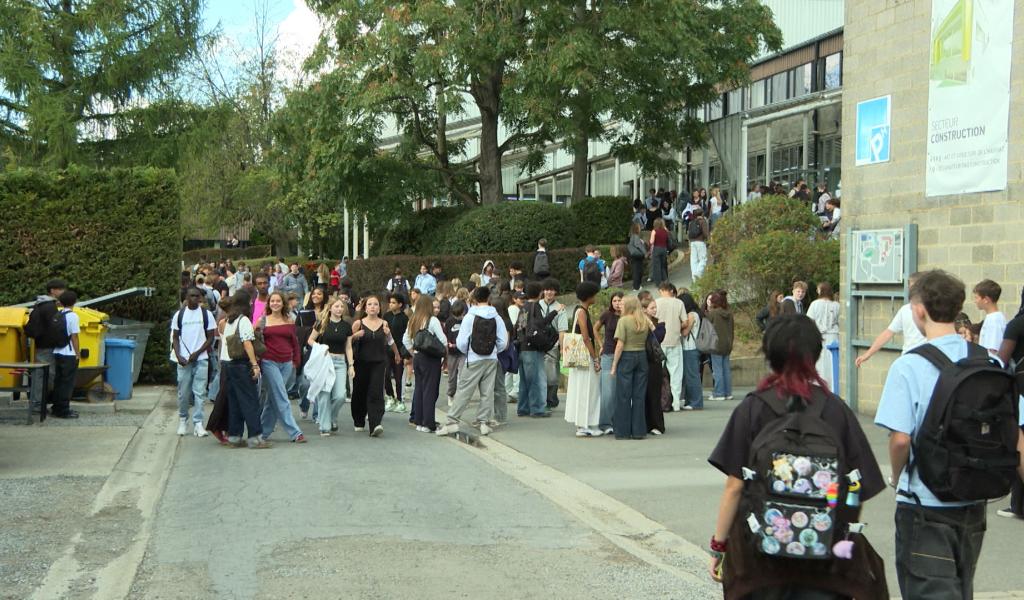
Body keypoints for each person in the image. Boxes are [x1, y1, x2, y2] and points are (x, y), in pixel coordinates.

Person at [708, 314, 887, 599]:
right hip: (825, 565)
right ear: (815, 354)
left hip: (760, 563)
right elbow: (857, 486)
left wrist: (719, 546)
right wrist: (837, 532)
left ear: (770, 354)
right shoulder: (836, 411)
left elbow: (734, 487)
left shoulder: (753, 409)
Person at [874, 269, 1024, 599]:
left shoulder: (908, 366)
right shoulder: (988, 362)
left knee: (929, 589)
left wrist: (897, 478)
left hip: (925, 501)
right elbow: (1014, 433)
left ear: (918, 310)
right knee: (961, 586)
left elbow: (900, 439)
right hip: (973, 496)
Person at [438, 286, 508, 436]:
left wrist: (469, 351)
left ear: (474, 299)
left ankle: (452, 421)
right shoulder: (496, 317)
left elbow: (462, 341)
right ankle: (483, 422)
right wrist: (494, 350)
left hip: (473, 358)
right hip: (491, 358)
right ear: (489, 298)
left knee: (464, 390)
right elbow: (503, 341)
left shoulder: (470, 316)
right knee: (487, 392)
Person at [220, 292, 270, 448]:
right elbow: (247, 343)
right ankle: (255, 437)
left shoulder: (228, 321)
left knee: (234, 401)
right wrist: (254, 364)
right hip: (241, 365)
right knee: (250, 401)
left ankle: (234, 436)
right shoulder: (244, 321)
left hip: (227, 365)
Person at [350, 294, 402, 437]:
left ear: (379, 308)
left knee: (376, 392)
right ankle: (359, 420)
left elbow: (390, 340)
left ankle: (375, 424)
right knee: (359, 392)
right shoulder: (358, 323)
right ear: (365, 308)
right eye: (370, 304)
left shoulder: (384, 323)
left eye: (375, 304)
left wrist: (397, 354)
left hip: (379, 362)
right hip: (361, 363)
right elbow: (348, 342)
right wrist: (355, 336)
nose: (373, 307)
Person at [257, 292, 305, 444]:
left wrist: (296, 361)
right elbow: (251, 338)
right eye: (273, 301)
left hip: (287, 362)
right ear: (269, 303)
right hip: (269, 361)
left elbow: (295, 342)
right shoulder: (262, 320)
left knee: (274, 398)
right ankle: (295, 432)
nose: (275, 303)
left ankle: (262, 433)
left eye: (278, 301)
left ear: (283, 303)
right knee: (282, 397)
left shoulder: (289, 320)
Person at [171, 287, 216, 437]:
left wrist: (198, 353)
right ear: (186, 297)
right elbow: (175, 337)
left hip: (201, 359)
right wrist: (178, 356)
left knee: (200, 392)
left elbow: (211, 337)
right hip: (184, 360)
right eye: (191, 296)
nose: (195, 299)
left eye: (197, 296)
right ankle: (183, 420)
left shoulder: (206, 314)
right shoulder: (179, 315)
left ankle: (198, 423)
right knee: (183, 393)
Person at [856, 272, 927, 367]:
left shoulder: (931, 309)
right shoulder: (904, 310)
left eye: (913, 287)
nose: (911, 290)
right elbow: (887, 333)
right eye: (910, 287)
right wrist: (867, 354)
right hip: (908, 359)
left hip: (925, 360)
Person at [609, 296, 652, 440]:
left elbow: (620, 344)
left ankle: (622, 431)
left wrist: (614, 364)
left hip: (627, 356)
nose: (620, 305)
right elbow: (654, 331)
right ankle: (639, 430)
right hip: (642, 357)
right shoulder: (644, 320)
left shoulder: (623, 321)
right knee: (639, 395)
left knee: (624, 395)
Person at [563, 282, 603, 438]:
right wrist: (595, 358)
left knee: (583, 389)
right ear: (589, 296)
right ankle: (584, 424)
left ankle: (584, 423)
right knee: (587, 389)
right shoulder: (582, 312)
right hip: (585, 355)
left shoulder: (580, 310)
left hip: (580, 356)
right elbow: (586, 338)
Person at [996, 303, 1024, 519]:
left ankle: (1018, 506)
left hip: (1022, 392)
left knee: (1020, 445)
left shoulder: (1016, 324)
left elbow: (1002, 359)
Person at [403, 294, 446, 433]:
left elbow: (405, 340)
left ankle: (419, 421)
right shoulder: (432, 320)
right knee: (430, 390)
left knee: (419, 389)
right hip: (431, 359)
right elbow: (443, 340)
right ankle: (428, 423)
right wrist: (444, 354)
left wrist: (413, 352)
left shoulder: (413, 320)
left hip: (418, 357)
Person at [24, 278, 67, 409]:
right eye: (60, 289)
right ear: (53, 291)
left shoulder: (41, 304)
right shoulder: (49, 307)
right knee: (45, 376)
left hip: (41, 344)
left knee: (42, 375)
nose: (63, 292)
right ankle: (37, 405)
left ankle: (38, 403)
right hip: (46, 347)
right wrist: (62, 342)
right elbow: (54, 327)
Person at [593, 291, 623, 435]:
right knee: (607, 391)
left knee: (619, 391)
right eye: (615, 301)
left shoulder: (627, 316)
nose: (617, 303)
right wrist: (601, 344)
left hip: (624, 355)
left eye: (619, 300)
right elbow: (595, 328)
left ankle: (616, 420)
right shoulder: (607, 315)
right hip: (609, 354)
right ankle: (605, 422)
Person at [49, 290, 81, 420]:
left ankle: (56, 408)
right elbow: (74, 337)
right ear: (74, 302)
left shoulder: (58, 314)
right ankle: (64, 410)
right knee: (67, 383)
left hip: (57, 351)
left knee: (58, 381)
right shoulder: (73, 316)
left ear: (61, 302)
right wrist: (77, 353)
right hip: (68, 353)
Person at [655, 282, 686, 412]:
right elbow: (685, 321)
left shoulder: (656, 302)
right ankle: (676, 403)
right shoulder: (679, 303)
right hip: (675, 341)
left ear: (662, 290)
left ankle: (658, 402)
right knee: (676, 374)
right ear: (671, 290)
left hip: (659, 342)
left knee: (657, 373)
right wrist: (677, 328)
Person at [806, 282, 840, 391]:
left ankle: (818, 387)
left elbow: (809, 321)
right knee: (832, 362)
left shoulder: (814, 304)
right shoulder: (836, 305)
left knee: (819, 362)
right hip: (833, 336)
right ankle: (833, 387)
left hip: (818, 335)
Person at [540, 279, 568, 409]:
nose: (549, 292)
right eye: (546, 289)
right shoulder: (538, 305)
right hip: (539, 343)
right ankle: (543, 398)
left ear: (555, 291)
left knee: (551, 371)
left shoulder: (560, 308)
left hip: (553, 344)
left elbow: (562, 330)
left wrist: (562, 347)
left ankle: (551, 398)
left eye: (551, 289)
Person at [642, 297, 666, 435]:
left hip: (654, 362)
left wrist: (651, 325)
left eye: (655, 307)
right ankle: (645, 423)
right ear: (644, 309)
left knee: (654, 393)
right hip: (642, 359)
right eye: (652, 308)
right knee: (643, 393)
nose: (655, 310)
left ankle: (657, 425)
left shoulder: (660, 323)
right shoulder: (638, 322)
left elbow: (659, 337)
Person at [383, 293, 410, 413]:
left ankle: (400, 400)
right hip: (386, 350)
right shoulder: (386, 316)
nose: (391, 304)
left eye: (394, 302)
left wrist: (404, 354)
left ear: (400, 304)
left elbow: (407, 336)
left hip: (399, 351)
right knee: (386, 374)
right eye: (390, 302)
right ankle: (391, 396)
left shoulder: (404, 318)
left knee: (398, 377)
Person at [706, 291, 734, 401]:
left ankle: (719, 393)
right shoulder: (729, 313)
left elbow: (706, 325)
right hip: (727, 344)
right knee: (726, 369)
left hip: (716, 345)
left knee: (717, 370)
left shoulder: (713, 313)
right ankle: (728, 392)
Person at [679, 292, 704, 410]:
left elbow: (685, 332)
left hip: (690, 348)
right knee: (691, 375)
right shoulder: (697, 313)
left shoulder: (691, 315)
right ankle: (691, 401)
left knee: (692, 376)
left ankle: (696, 402)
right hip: (693, 348)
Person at [443, 300, 467, 407]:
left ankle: (462, 398)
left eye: (460, 315)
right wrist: (448, 345)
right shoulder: (449, 321)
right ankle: (451, 395)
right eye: (456, 315)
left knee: (463, 376)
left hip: (463, 352)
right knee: (452, 376)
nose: (458, 318)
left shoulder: (466, 320)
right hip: (452, 352)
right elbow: (445, 335)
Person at [974, 278, 1006, 355]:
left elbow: (992, 350)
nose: (975, 301)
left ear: (986, 300)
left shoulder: (994, 320)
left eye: (976, 297)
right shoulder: (992, 318)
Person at [687, 208, 709, 280]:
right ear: (702, 214)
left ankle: (694, 277)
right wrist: (709, 240)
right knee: (703, 259)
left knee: (694, 260)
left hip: (692, 242)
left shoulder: (691, 222)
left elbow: (689, 233)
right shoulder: (703, 221)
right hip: (700, 241)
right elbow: (705, 233)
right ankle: (698, 274)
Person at [648, 218, 670, 286]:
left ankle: (658, 282)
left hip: (657, 249)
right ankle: (666, 280)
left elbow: (651, 241)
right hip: (664, 249)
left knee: (657, 266)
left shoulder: (654, 231)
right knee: (663, 265)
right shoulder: (665, 231)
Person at [627, 223, 647, 292]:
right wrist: (645, 253)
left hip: (635, 256)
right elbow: (638, 245)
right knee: (637, 271)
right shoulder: (635, 236)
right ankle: (636, 286)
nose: (640, 228)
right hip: (637, 256)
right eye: (639, 227)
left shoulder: (632, 236)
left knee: (637, 270)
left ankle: (636, 286)